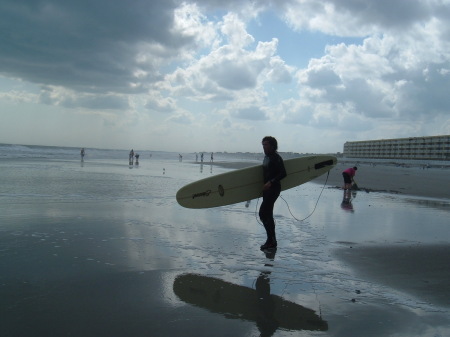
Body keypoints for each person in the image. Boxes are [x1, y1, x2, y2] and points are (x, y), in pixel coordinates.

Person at [259, 136, 286, 250]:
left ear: (272, 146)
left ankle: (271, 240)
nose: (264, 147)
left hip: (273, 189)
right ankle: (271, 240)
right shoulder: (266, 157)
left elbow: (283, 173)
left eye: (266, 145)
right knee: (267, 214)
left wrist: (270, 182)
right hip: (267, 190)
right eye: (263, 145)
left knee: (263, 213)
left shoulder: (276, 157)